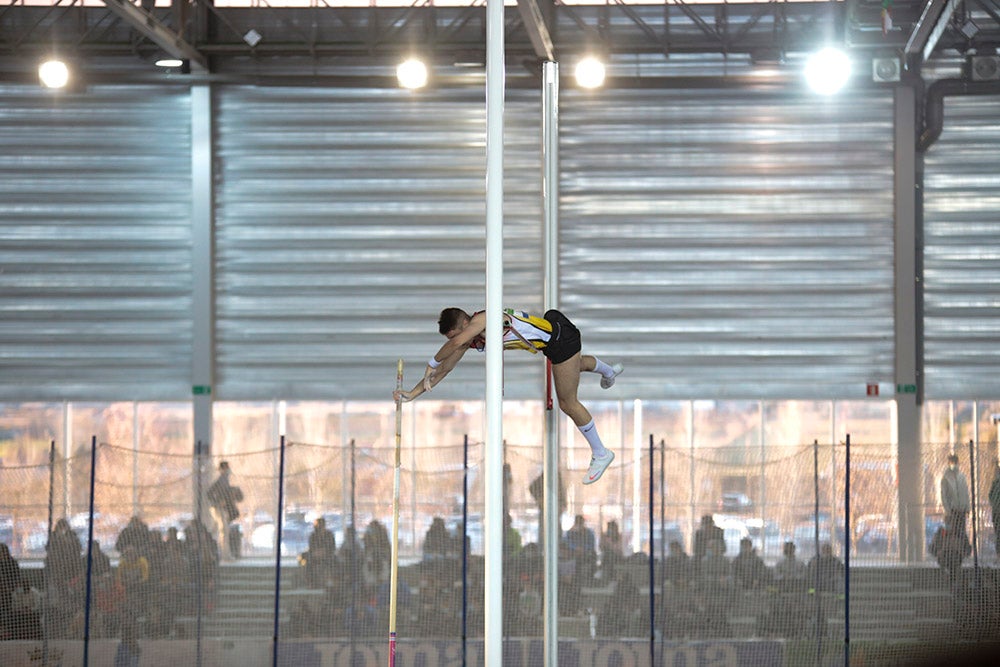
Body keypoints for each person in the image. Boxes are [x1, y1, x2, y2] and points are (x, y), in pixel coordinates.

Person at [394, 307, 624, 485]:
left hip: (559, 340)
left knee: (567, 402)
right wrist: (413, 394)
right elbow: (445, 369)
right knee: (574, 367)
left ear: (465, 323)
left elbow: (455, 344)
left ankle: (601, 453)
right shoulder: (472, 337)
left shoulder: (484, 318)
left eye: (456, 335)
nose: (455, 342)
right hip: (554, 336)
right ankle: (609, 371)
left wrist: (429, 363)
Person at [207, 461, 243, 559]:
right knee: (224, 531)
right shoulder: (222, 480)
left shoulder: (225, 480)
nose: (228, 470)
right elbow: (209, 493)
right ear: (223, 470)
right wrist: (218, 501)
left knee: (217, 530)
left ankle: (215, 551)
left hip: (220, 509)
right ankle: (225, 555)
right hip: (218, 508)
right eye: (226, 468)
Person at [940, 453, 971, 537]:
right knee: (953, 534)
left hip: (961, 510)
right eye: (951, 462)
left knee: (961, 533)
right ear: (948, 463)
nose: (954, 464)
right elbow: (944, 496)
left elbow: (966, 493)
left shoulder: (962, 477)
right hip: (953, 511)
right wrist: (948, 510)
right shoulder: (946, 478)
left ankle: (961, 548)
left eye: (955, 462)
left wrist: (967, 507)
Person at [989, 461, 1000, 556]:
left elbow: (990, 497)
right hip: (997, 513)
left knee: (998, 534)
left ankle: (998, 553)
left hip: (996, 513)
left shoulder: (995, 483)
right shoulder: (995, 483)